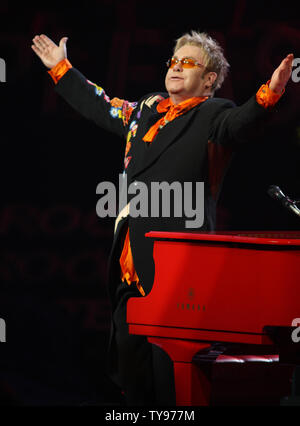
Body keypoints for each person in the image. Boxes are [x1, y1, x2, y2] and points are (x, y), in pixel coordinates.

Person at [31, 30, 293, 406]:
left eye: (189, 62)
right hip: (130, 267)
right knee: (135, 384)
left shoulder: (214, 114)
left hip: (179, 272)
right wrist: (61, 68)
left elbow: (243, 123)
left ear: (208, 81)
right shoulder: (144, 111)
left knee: (171, 381)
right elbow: (98, 104)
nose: (176, 67)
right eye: (173, 60)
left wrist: (270, 93)